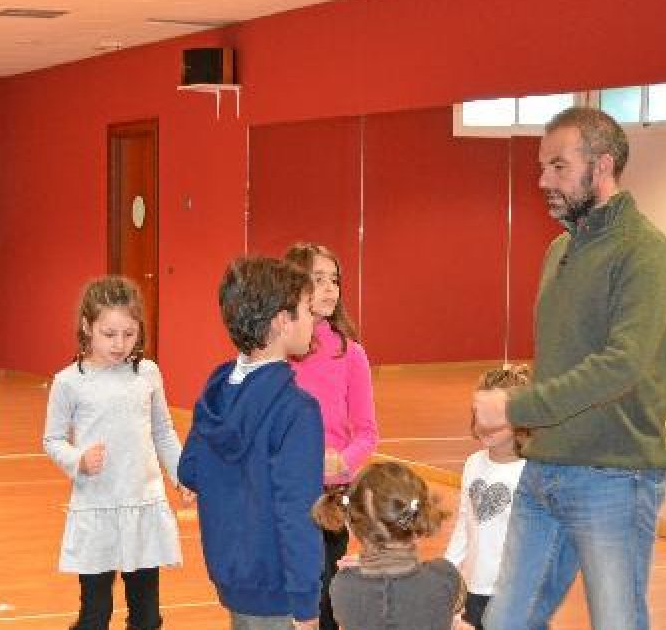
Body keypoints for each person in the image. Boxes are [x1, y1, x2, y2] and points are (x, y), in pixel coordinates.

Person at [472, 106, 666, 630]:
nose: (543, 180)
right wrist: (523, 422)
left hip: (615, 475)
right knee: (506, 622)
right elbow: (562, 361)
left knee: (616, 621)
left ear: (602, 165)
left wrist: (514, 404)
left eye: (558, 167)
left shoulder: (645, 251)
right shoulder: (560, 249)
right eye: (542, 167)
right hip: (544, 470)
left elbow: (623, 365)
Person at [178, 256, 324, 630]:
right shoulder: (297, 410)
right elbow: (298, 514)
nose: (315, 321)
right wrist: (307, 603)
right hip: (279, 587)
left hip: (231, 575)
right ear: (280, 321)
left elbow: (189, 470)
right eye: (307, 311)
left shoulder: (218, 387)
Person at [43, 276, 189, 630]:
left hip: (142, 504)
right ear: (87, 327)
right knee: (95, 613)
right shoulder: (68, 382)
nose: (120, 343)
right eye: (109, 334)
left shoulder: (147, 373)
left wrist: (183, 475)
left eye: (129, 333)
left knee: (147, 615)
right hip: (97, 508)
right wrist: (77, 460)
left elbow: (163, 431)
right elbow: (53, 439)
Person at [284, 242, 378, 630]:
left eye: (334, 280)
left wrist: (344, 460)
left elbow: (368, 432)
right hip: (286, 490)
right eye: (317, 279)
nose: (329, 289)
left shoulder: (351, 354)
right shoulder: (281, 351)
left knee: (324, 599)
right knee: (290, 598)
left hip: (330, 496)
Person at [315, 461, 464, 630]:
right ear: (418, 515)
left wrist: (374, 566)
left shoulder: (343, 586)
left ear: (352, 522)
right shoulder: (444, 576)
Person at [444, 365, 530, 630]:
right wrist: (447, 571)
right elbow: (465, 521)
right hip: (472, 587)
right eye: (480, 414)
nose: (485, 424)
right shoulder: (473, 464)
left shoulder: (532, 472)